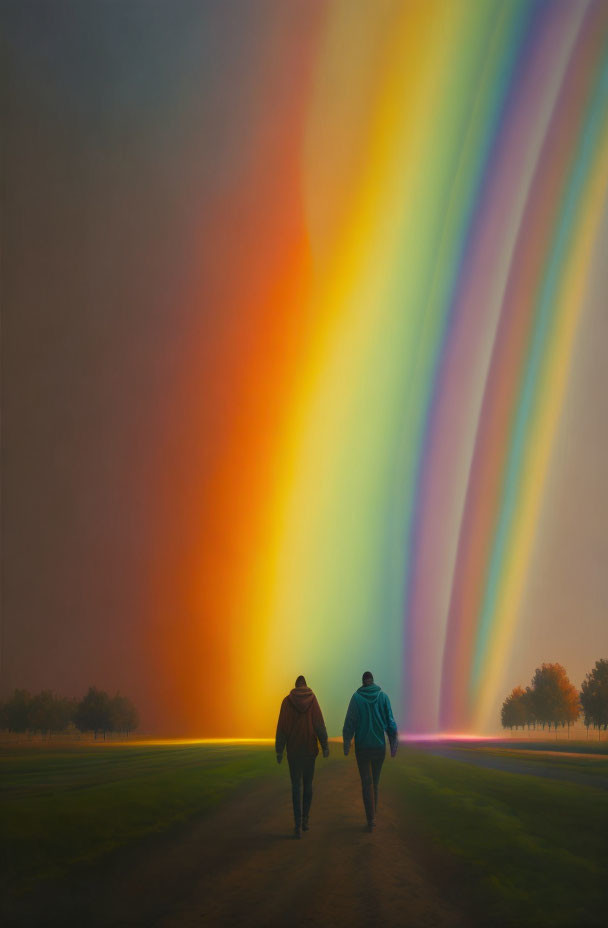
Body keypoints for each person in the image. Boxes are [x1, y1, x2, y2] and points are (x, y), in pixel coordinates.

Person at [342, 671, 398, 832]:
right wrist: (393, 744)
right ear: (372, 681)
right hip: (379, 748)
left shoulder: (356, 698)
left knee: (367, 783)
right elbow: (391, 722)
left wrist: (347, 743)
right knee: (376, 782)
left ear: (363, 682)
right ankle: (374, 816)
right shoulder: (383, 697)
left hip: (363, 749)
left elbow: (350, 723)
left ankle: (370, 819)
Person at [275, 675, 329, 838]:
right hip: (309, 751)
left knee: (295, 786)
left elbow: (282, 728)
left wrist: (279, 750)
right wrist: (325, 745)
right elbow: (319, 724)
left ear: (295, 686)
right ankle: (305, 819)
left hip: (294, 752)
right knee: (308, 785)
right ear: (305, 685)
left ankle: (297, 824)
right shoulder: (313, 700)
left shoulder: (286, 702)